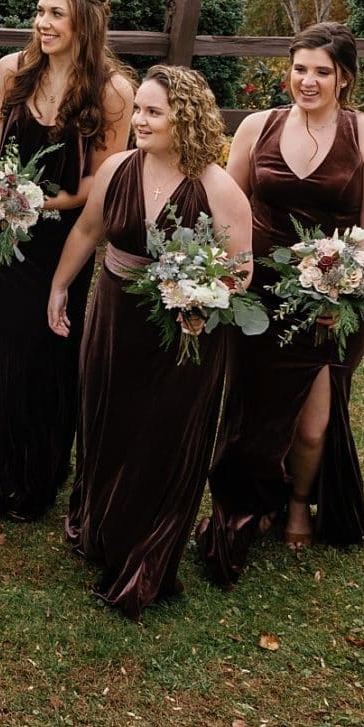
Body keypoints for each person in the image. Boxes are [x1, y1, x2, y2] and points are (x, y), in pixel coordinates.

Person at [199, 22, 364, 579]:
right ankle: (252, 498)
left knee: (313, 425)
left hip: (331, 297)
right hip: (259, 290)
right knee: (255, 408)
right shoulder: (258, 127)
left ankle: (298, 501)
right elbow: (229, 204)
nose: (307, 81)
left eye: (321, 72)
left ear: (344, 78)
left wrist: (347, 279)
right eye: (299, 69)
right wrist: (213, 267)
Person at [52, 63, 256, 618]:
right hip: (115, 318)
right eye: (138, 109)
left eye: (153, 113)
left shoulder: (216, 187)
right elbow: (89, 231)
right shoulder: (119, 167)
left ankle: (146, 554)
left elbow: (241, 272)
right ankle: (102, 529)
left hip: (184, 335)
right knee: (107, 421)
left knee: (162, 436)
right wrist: (60, 287)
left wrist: (192, 289)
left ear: (183, 118)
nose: (138, 120)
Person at [0, 0, 134, 518]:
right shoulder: (12, 71)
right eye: (40, 11)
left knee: (44, 352)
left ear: (85, 23)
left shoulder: (114, 92)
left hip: (61, 238)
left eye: (55, 14)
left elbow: (100, 181)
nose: (42, 23)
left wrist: (37, 204)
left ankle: (29, 468)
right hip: (0, 228)